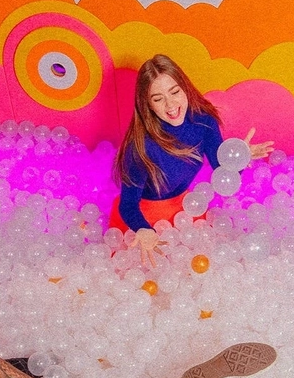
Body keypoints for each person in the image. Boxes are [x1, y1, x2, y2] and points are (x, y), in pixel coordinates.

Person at [111, 54, 273, 265]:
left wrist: (238, 159)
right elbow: (128, 204)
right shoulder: (140, 147)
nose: (170, 104)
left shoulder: (204, 122)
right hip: (145, 215)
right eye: (158, 99)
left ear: (185, 87)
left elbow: (221, 171)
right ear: (147, 105)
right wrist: (143, 230)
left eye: (175, 91)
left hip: (185, 207)